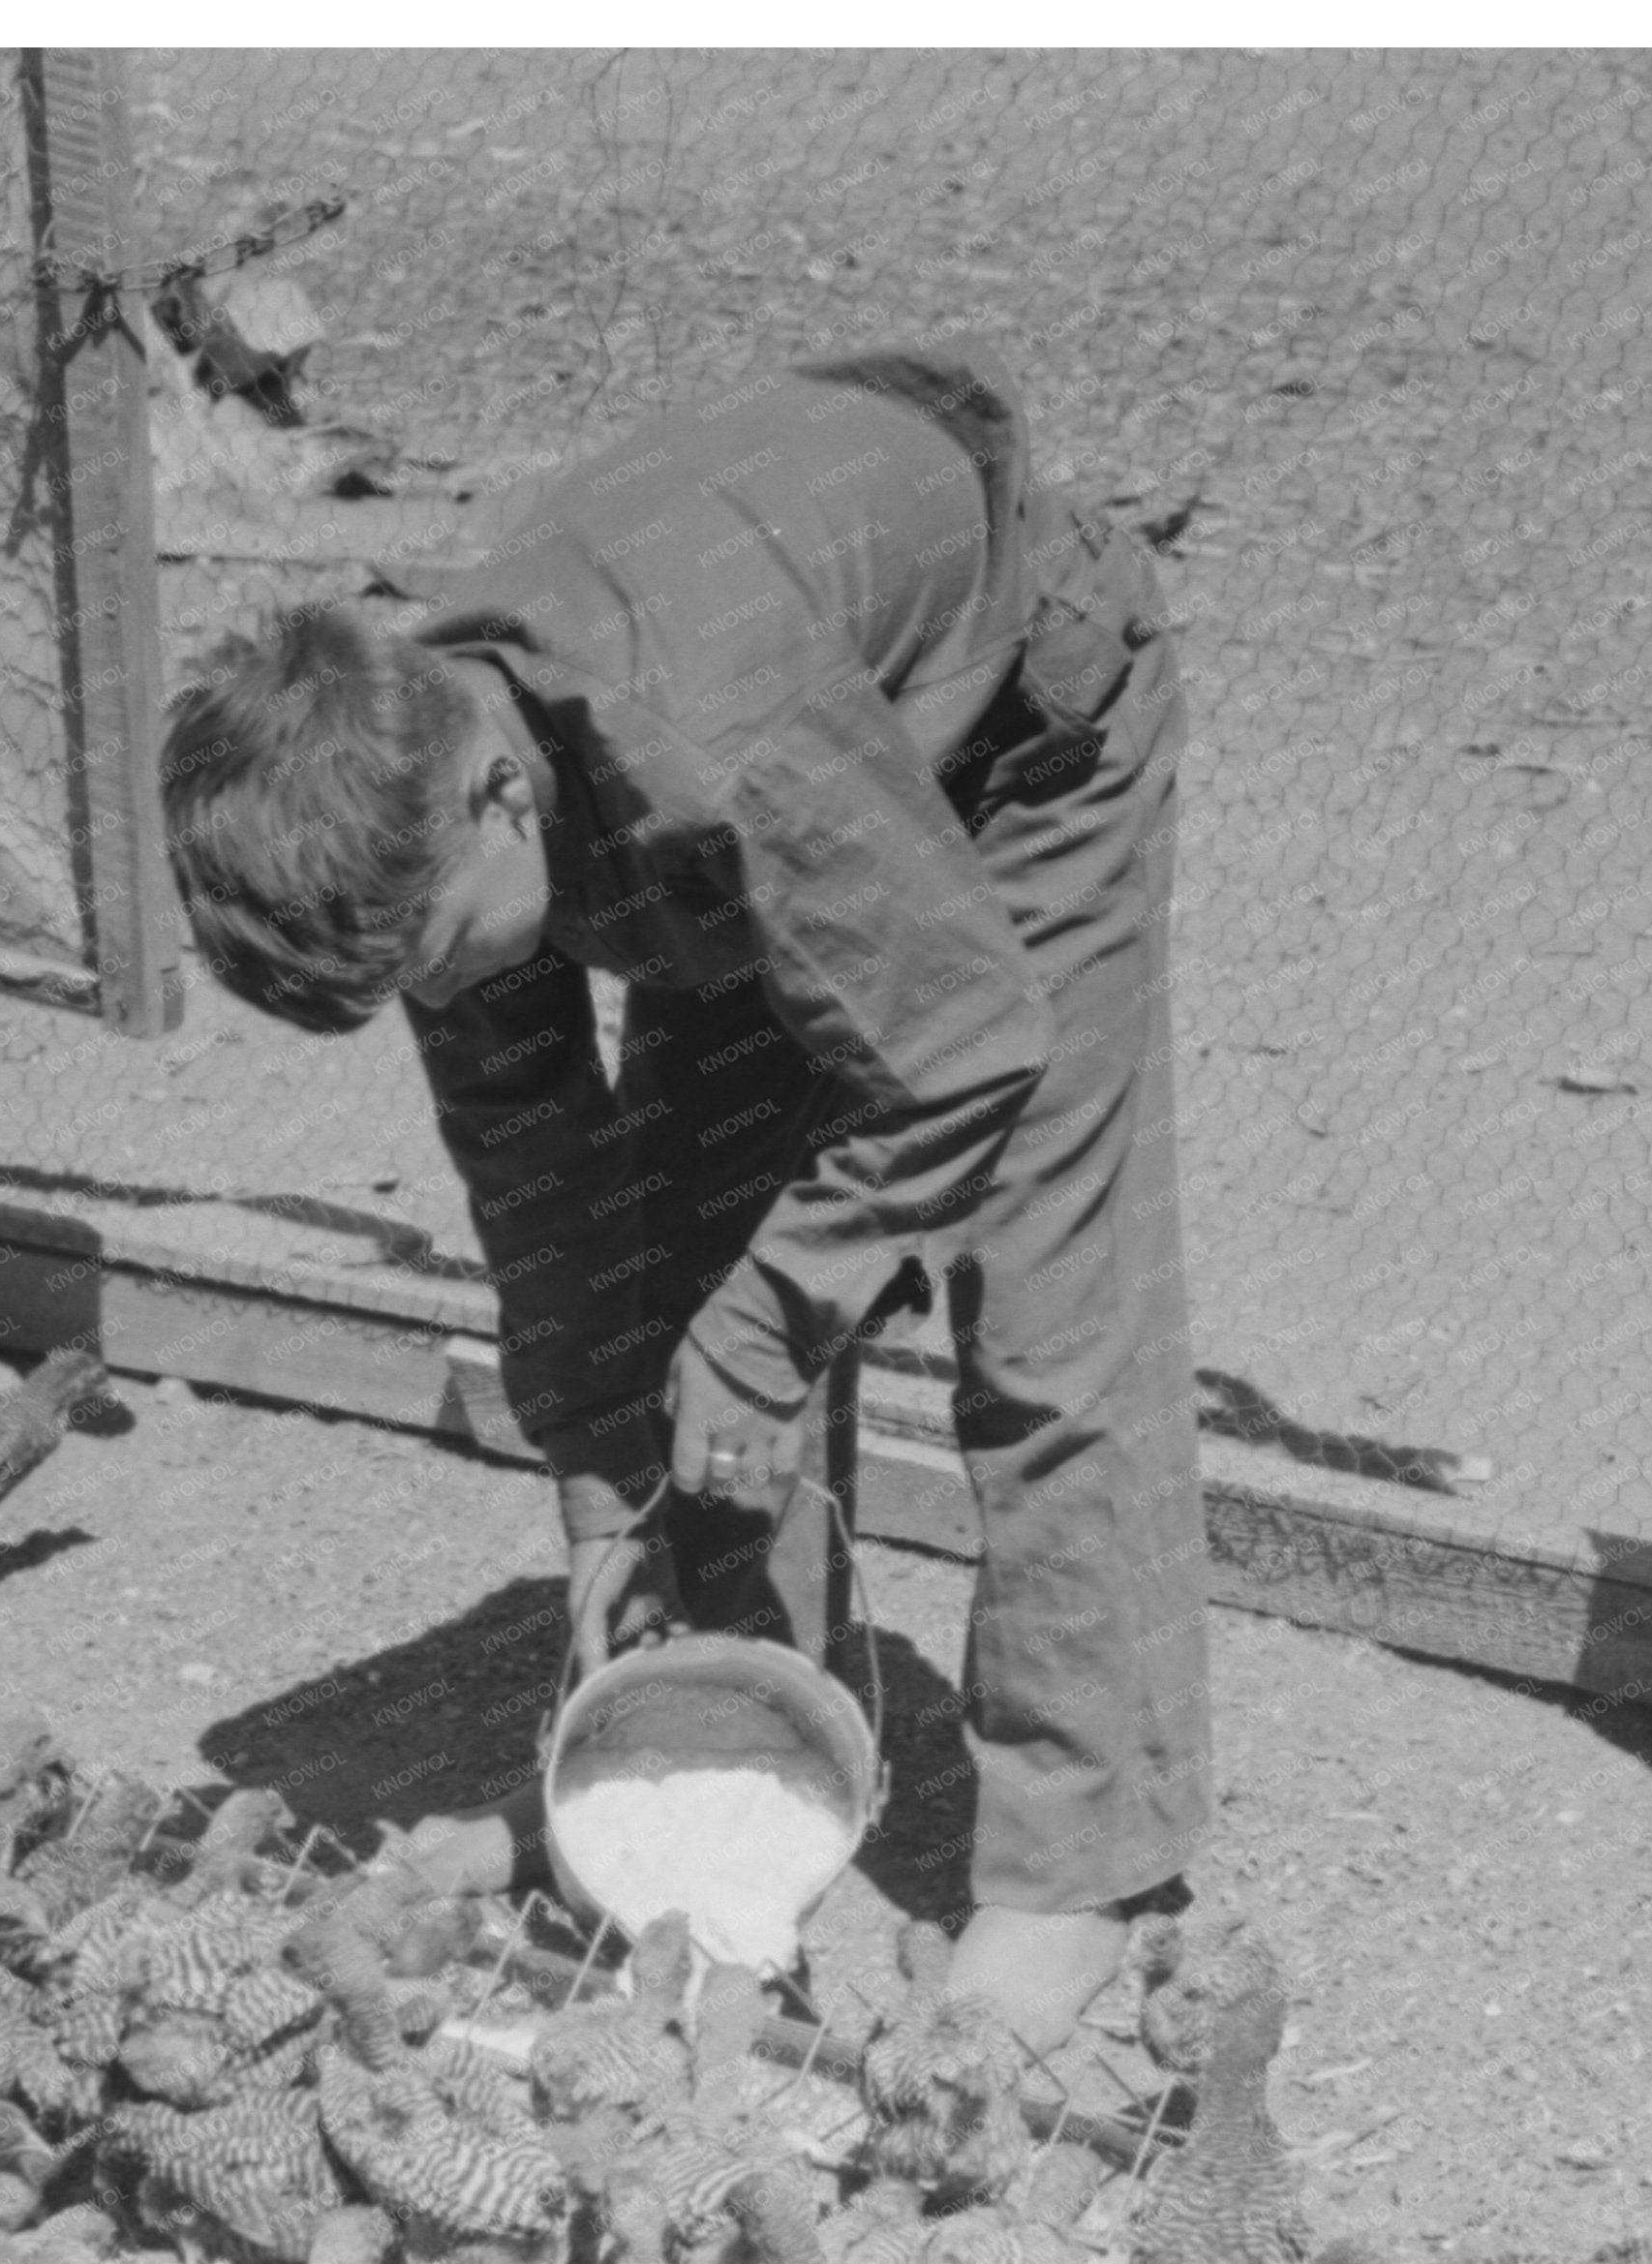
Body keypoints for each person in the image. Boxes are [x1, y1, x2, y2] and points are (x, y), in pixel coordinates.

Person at [157, 338, 1208, 2050]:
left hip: (1015, 744)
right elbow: (544, 1187)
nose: (433, 999)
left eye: (427, 959)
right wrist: (598, 1480)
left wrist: (773, 1324)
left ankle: (1079, 1864)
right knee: (698, 1260)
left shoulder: (712, 741)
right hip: (729, 807)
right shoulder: (424, 802)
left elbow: (961, 1045)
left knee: (1040, 1296)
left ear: (498, 797)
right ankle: (721, 1765)